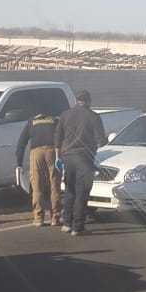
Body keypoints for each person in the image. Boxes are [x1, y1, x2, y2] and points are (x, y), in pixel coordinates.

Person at [54, 90, 106, 236]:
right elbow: (101, 141)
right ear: (88, 102)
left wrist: (58, 157)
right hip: (84, 158)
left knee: (70, 190)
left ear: (76, 101)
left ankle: (67, 223)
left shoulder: (65, 115)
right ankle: (78, 226)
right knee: (81, 192)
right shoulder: (93, 117)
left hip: (67, 157)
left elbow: (57, 136)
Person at [14, 108, 63, 226]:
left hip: (36, 153)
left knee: (37, 187)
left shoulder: (31, 122)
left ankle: (38, 218)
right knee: (54, 186)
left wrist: (19, 164)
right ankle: (55, 218)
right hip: (52, 151)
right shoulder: (55, 121)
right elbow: (61, 138)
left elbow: (21, 144)